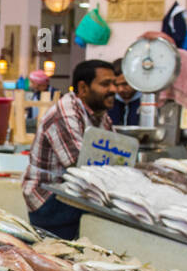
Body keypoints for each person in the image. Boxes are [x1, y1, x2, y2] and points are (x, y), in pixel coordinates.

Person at [21, 59, 119, 239]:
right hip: (48, 199)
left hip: (73, 195)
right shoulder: (65, 113)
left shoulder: (100, 116)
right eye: (106, 84)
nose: (114, 89)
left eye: (114, 83)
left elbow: (114, 156)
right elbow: (80, 165)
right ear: (83, 88)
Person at [106, 58, 141, 126]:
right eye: (116, 84)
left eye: (125, 84)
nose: (120, 89)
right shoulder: (107, 103)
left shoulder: (147, 102)